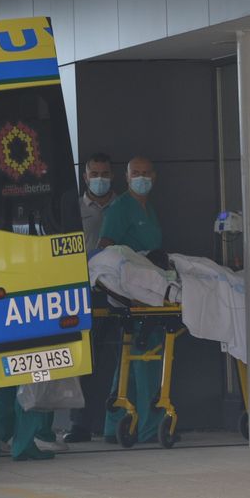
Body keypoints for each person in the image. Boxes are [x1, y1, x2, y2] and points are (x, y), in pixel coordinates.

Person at [98, 156, 166, 444]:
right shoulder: (121, 208)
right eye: (135, 173)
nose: (141, 177)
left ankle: (116, 423)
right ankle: (150, 427)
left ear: (155, 176)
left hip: (148, 288)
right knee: (145, 355)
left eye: (146, 173)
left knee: (130, 356)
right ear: (126, 178)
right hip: (132, 292)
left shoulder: (147, 208)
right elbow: (106, 249)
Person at [63, 153, 116, 443]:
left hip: (119, 292)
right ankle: (80, 424)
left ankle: (113, 422)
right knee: (84, 361)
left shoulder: (123, 207)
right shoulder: (75, 209)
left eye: (104, 173)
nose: (99, 178)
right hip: (84, 292)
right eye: (94, 173)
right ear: (84, 177)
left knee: (117, 357)